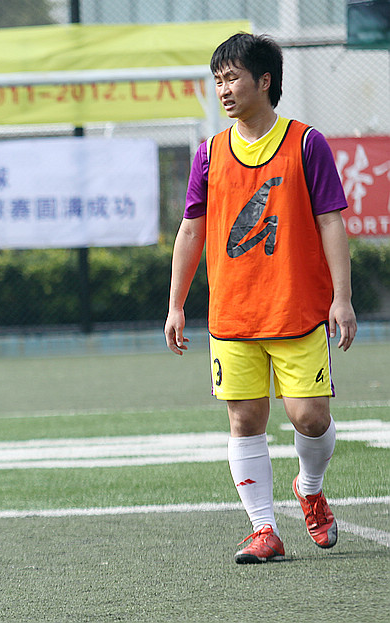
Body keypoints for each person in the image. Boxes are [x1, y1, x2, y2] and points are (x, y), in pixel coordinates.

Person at [164, 32, 357, 564]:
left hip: (297, 311)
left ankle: (309, 488)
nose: (224, 89)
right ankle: (264, 529)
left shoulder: (306, 143)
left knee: (310, 418)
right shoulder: (209, 153)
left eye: (233, 78)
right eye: (218, 80)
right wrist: (176, 304)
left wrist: (342, 298)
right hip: (233, 315)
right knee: (244, 421)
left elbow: (331, 222)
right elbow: (191, 230)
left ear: (264, 80)